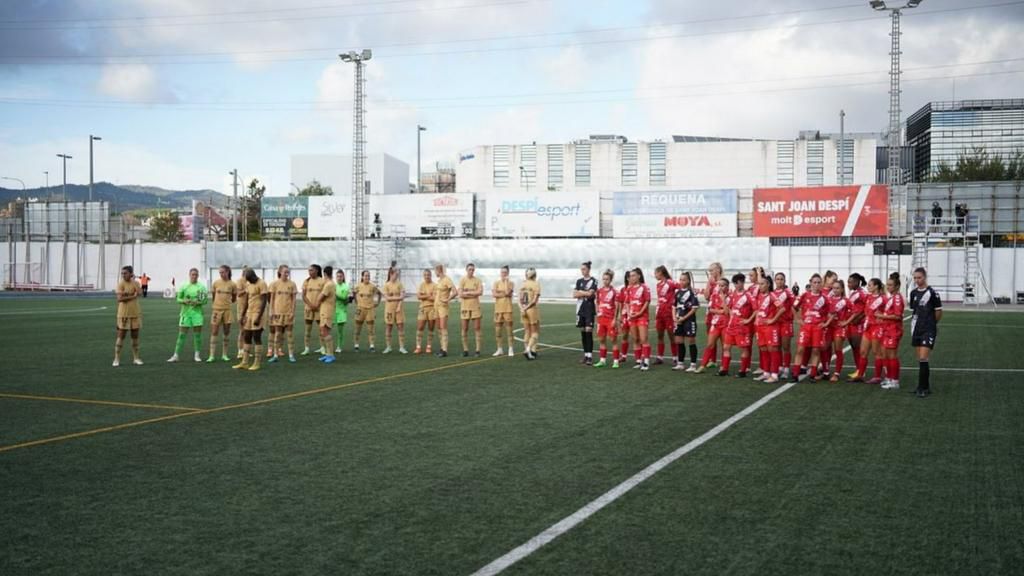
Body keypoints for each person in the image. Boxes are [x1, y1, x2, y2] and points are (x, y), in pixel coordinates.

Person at [791, 273, 834, 382]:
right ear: (810, 283)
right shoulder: (804, 295)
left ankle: (813, 375)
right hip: (806, 327)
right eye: (814, 282)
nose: (816, 284)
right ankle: (795, 374)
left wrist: (825, 323)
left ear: (821, 284)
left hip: (817, 328)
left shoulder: (825, 298)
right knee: (800, 349)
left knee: (816, 350)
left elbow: (832, 313)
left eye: (819, 282)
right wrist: (798, 319)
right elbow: (793, 307)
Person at [908, 267, 942, 398]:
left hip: (928, 329)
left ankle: (923, 388)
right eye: (915, 278)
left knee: (923, 357)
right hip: (916, 328)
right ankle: (923, 386)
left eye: (919, 277)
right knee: (920, 359)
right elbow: (914, 310)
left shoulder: (932, 293)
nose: (917, 280)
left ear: (925, 277)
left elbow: (938, 312)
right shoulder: (913, 293)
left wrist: (932, 324)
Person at [168, 267, 207, 363]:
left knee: (197, 335)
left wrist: (197, 303)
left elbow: (204, 300)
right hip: (185, 314)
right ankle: (176, 355)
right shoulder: (184, 286)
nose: (194, 276)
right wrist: (184, 301)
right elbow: (178, 299)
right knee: (181, 335)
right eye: (192, 274)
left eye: (196, 275)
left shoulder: (201, 287)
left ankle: (197, 355)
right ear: (189, 275)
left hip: (197, 314)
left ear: (198, 276)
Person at [719, 273, 755, 378]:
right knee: (726, 347)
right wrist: (723, 300)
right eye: (735, 283)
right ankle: (725, 369)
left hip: (742, 326)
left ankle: (743, 370)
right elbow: (726, 311)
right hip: (731, 326)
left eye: (738, 283)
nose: (736, 285)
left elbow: (756, 309)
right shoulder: (732, 295)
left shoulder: (748, 295)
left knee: (743, 349)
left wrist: (748, 320)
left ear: (743, 282)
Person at [853, 278, 887, 384]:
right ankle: (860, 375)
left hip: (877, 327)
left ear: (876, 286)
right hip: (867, 327)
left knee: (877, 352)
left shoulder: (883, 299)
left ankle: (877, 376)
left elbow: (889, 311)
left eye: (870, 285)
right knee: (863, 352)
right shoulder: (867, 297)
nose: (868, 287)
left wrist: (882, 317)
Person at [234, 268, 269, 371]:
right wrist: (243, 315)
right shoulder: (249, 284)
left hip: (258, 313)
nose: (248, 281)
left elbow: (264, 301)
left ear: (254, 276)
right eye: (247, 279)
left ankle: (257, 363)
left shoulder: (262, 284)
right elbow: (247, 301)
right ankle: (244, 362)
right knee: (247, 335)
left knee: (256, 336)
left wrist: (259, 317)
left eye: (249, 279)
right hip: (249, 313)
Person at [753, 275, 785, 383]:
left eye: (762, 284)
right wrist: (756, 320)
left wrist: (772, 320)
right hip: (760, 327)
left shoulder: (772, 296)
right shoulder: (759, 296)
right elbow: (758, 310)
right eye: (759, 284)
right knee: (763, 350)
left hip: (770, 327)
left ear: (768, 285)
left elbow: (782, 308)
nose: (760, 286)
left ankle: (775, 375)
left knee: (773, 350)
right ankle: (766, 373)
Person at [878, 272, 905, 390]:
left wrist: (882, 316)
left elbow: (898, 316)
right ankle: (889, 378)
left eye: (890, 285)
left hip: (894, 330)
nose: (888, 287)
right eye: (887, 285)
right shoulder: (892, 297)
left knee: (892, 355)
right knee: (887, 355)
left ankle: (895, 381)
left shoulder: (898, 298)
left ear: (897, 286)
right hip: (887, 329)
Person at [695, 278, 729, 373]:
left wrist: (723, 302)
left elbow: (727, 312)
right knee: (710, 344)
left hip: (726, 324)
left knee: (725, 346)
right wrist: (720, 311)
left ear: (727, 287)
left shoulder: (730, 297)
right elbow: (710, 309)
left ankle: (724, 367)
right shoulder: (714, 296)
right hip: (715, 323)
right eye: (719, 285)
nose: (721, 287)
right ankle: (702, 365)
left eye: (723, 285)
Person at [113, 265, 143, 367]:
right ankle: (116, 358)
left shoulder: (135, 283)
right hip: (123, 314)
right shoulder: (120, 284)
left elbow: (140, 293)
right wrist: (132, 296)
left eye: (125, 273)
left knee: (135, 337)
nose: (123, 275)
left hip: (135, 314)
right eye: (122, 273)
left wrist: (134, 286)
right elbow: (119, 299)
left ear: (131, 274)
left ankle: (136, 358)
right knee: (121, 336)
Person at [268, 265, 298, 363]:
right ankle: (275, 355)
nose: (286, 273)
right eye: (285, 272)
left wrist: (292, 312)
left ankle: (291, 355)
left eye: (287, 272)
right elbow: (271, 299)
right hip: (277, 312)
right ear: (280, 272)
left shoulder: (292, 284)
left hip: (288, 312)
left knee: (289, 334)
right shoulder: (274, 284)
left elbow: (294, 300)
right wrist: (271, 311)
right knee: (277, 334)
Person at [672, 271, 700, 372]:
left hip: (689, 320)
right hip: (679, 320)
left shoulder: (692, 292)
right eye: (680, 279)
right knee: (679, 340)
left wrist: (684, 318)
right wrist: (674, 318)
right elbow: (674, 306)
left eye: (684, 279)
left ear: (688, 281)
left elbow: (694, 308)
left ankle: (693, 365)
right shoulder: (677, 292)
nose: (681, 281)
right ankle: (680, 363)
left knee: (691, 341)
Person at [207, 265, 237, 362]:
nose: (221, 274)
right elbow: (214, 295)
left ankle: (224, 354)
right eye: (220, 272)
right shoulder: (216, 283)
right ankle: (211, 355)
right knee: (214, 332)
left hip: (227, 311)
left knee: (226, 332)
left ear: (228, 272)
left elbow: (234, 298)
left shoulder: (232, 284)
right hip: (216, 310)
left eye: (223, 272)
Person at [626, 268, 652, 371]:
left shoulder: (644, 287)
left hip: (641, 316)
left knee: (643, 338)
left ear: (639, 276)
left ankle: (646, 361)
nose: (631, 278)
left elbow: (647, 301)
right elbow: (627, 302)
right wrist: (628, 313)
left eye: (633, 275)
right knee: (635, 339)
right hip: (632, 317)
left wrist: (640, 312)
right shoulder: (629, 288)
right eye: (630, 276)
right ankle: (638, 361)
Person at [652, 265, 679, 365]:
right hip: (660, 313)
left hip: (668, 313)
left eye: (656, 273)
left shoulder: (670, 283)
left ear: (661, 272)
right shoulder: (658, 284)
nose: (655, 275)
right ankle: (660, 357)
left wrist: (676, 302)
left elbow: (681, 287)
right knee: (660, 335)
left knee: (671, 336)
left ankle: (675, 357)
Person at [573, 261, 599, 365]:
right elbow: (574, 294)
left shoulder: (594, 281)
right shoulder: (579, 281)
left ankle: (590, 356)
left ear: (588, 269)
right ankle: (585, 354)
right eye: (581, 269)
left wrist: (581, 293)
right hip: (580, 309)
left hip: (589, 308)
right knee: (583, 332)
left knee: (589, 331)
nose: (582, 271)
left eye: (584, 269)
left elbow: (591, 293)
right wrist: (585, 293)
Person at [594, 269, 620, 368]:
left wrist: (615, 319)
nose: (605, 281)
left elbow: (617, 306)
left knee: (613, 340)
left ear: (611, 280)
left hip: (610, 319)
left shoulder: (614, 292)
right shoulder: (599, 291)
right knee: (602, 340)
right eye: (604, 279)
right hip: (601, 319)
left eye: (607, 279)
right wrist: (597, 311)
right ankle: (602, 360)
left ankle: (616, 361)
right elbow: (597, 302)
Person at [843, 273, 868, 380]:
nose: (848, 284)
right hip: (851, 323)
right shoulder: (854, 293)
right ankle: (859, 370)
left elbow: (867, 307)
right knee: (854, 346)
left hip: (858, 324)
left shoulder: (862, 293)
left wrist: (859, 318)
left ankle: (861, 372)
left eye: (850, 282)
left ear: (857, 282)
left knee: (858, 347)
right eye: (848, 282)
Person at [826, 278, 851, 382]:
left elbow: (855, 312)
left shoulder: (845, 301)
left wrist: (846, 322)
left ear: (842, 289)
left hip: (839, 328)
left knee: (838, 350)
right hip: (829, 327)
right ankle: (825, 371)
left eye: (838, 288)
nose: (835, 290)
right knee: (826, 349)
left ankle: (836, 373)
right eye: (834, 288)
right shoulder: (828, 299)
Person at [458, 263, 484, 357]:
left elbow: (480, 292)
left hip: (475, 307)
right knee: (464, 328)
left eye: (473, 269)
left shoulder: (478, 280)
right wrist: (473, 293)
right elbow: (460, 294)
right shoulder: (462, 280)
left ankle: (477, 350)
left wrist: (467, 293)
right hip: (465, 307)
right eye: (469, 269)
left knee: (477, 328)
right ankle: (465, 350)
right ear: (466, 270)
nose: (471, 271)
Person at [772, 272, 794, 379]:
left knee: (786, 346)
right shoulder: (772, 293)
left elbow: (795, 304)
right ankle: (780, 366)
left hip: (786, 322)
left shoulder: (788, 292)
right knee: (777, 346)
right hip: (775, 323)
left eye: (781, 279)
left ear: (784, 281)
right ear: (775, 281)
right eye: (777, 279)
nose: (779, 281)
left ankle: (786, 368)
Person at [353, 270, 381, 352]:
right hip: (360, 309)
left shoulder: (372, 286)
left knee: (370, 329)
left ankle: (372, 345)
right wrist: (357, 302)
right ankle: (356, 345)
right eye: (365, 275)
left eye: (368, 276)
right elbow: (354, 293)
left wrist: (377, 303)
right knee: (358, 328)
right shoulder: (358, 285)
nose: (367, 277)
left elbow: (379, 293)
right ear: (362, 277)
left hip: (370, 309)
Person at [300, 265, 325, 356]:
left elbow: (324, 295)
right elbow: (303, 295)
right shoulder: (306, 281)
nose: (310, 272)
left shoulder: (322, 281)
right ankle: (306, 348)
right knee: (308, 329)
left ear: (317, 271)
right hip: (309, 309)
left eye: (311, 270)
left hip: (319, 308)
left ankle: (322, 347)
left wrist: (317, 304)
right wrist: (310, 305)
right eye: (309, 270)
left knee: (321, 329)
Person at [702, 262, 723, 368]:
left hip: (720, 312)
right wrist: (708, 284)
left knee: (723, 338)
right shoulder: (710, 282)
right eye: (709, 271)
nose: (710, 273)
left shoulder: (723, 282)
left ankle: (724, 363)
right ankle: (713, 360)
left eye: (712, 270)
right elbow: (706, 297)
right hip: (710, 310)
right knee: (710, 336)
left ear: (718, 270)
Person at [382, 267, 408, 354]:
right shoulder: (386, 285)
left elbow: (402, 296)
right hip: (389, 309)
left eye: (397, 275)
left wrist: (398, 305)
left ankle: (402, 347)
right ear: (391, 274)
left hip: (399, 309)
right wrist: (398, 297)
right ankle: (388, 347)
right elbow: (387, 298)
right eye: (395, 274)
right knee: (389, 327)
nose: (397, 276)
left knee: (400, 326)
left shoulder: (400, 284)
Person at [315, 266, 338, 363]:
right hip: (325, 310)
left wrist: (315, 304)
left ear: (324, 274)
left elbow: (320, 297)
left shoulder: (328, 284)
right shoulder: (331, 284)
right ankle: (328, 354)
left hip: (327, 311)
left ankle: (331, 355)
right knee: (323, 331)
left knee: (325, 332)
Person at [433, 264, 456, 357]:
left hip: (443, 307)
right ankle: (442, 348)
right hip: (436, 307)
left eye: (435, 271)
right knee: (439, 327)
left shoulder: (447, 279)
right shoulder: (439, 281)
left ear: (439, 271)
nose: (435, 273)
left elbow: (455, 292)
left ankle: (445, 350)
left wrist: (448, 299)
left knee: (443, 327)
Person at [492, 265, 515, 357]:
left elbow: (507, 292)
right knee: (498, 331)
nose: (503, 274)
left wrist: (505, 282)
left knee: (509, 330)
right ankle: (499, 349)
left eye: (505, 272)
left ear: (508, 273)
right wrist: (503, 294)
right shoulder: (496, 283)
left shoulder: (511, 283)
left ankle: (510, 348)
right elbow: (494, 294)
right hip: (498, 309)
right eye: (502, 272)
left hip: (507, 309)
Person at [519, 268, 541, 360]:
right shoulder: (536, 284)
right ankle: (528, 349)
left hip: (523, 310)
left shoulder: (523, 284)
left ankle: (528, 351)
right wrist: (527, 308)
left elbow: (519, 300)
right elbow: (534, 301)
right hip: (531, 310)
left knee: (527, 331)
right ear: (535, 275)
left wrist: (522, 308)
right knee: (535, 332)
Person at [415, 268, 437, 355]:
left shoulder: (435, 285)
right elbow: (418, 296)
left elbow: (435, 298)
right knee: (420, 327)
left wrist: (424, 296)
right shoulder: (421, 285)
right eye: (425, 275)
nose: (427, 277)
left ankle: (429, 346)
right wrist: (429, 295)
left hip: (432, 308)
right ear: (423, 276)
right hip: (422, 308)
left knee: (431, 328)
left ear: (431, 275)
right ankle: (418, 347)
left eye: (428, 275)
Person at [235, 266, 250, 359]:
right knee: (242, 331)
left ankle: (247, 350)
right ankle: (240, 351)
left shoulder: (251, 281)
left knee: (249, 331)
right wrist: (246, 290)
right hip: (241, 309)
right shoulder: (240, 281)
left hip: (250, 309)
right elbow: (239, 293)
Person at [334, 269, 351, 353]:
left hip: (341, 311)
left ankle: (339, 346)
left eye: (340, 276)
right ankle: (325, 346)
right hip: (332, 311)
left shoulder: (346, 286)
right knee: (327, 329)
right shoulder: (334, 286)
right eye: (337, 276)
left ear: (343, 277)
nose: (339, 278)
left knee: (340, 331)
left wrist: (335, 294)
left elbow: (344, 298)